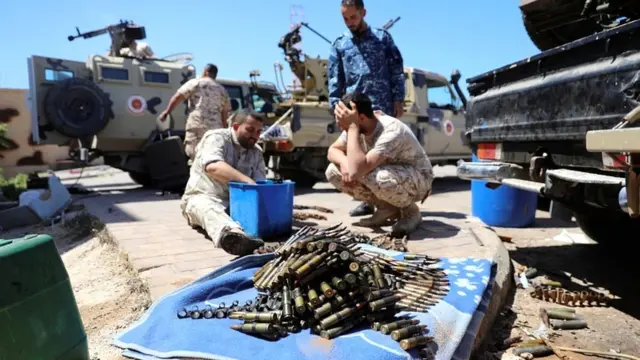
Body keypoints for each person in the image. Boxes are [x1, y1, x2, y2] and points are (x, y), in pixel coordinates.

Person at [328, 0, 406, 218]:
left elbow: (396, 70)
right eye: (345, 18)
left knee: (384, 156)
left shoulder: (382, 38)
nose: (349, 22)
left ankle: (392, 201)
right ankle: (366, 201)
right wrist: (336, 107)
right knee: (356, 153)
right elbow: (335, 80)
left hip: (382, 107)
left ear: (363, 12)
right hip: (355, 109)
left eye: (353, 17)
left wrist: (399, 98)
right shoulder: (340, 44)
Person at [325, 92, 434, 235]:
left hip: (419, 179)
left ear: (361, 117)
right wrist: (344, 162)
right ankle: (386, 209)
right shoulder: (356, 123)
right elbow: (332, 150)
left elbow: (358, 171)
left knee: (375, 175)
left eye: (342, 120)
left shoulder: (391, 130)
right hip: (388, 173)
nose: (340, 125)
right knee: (333, 171)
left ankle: (411, 212)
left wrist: (352, 127)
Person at [180, 110, 267, 256]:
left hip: (236, 205)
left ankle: (241, 234)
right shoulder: (216, 138)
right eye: (250, 129)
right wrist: (246, 180)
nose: (255, 135)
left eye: (258, 131)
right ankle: (234, 236)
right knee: (206, 207)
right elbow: (213, 167)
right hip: (202, 197)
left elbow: (260, 184)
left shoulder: (256, 152)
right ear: (235, 126)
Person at [159, 64, 232, 160]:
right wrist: (225, 131)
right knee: (213, 155)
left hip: (197, 125)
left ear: (205, 72)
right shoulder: (222, 90)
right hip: (215, 129)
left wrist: (167, 111)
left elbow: (177, 97)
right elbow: (224, 113)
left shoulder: (195, 83)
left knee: (195, 155)